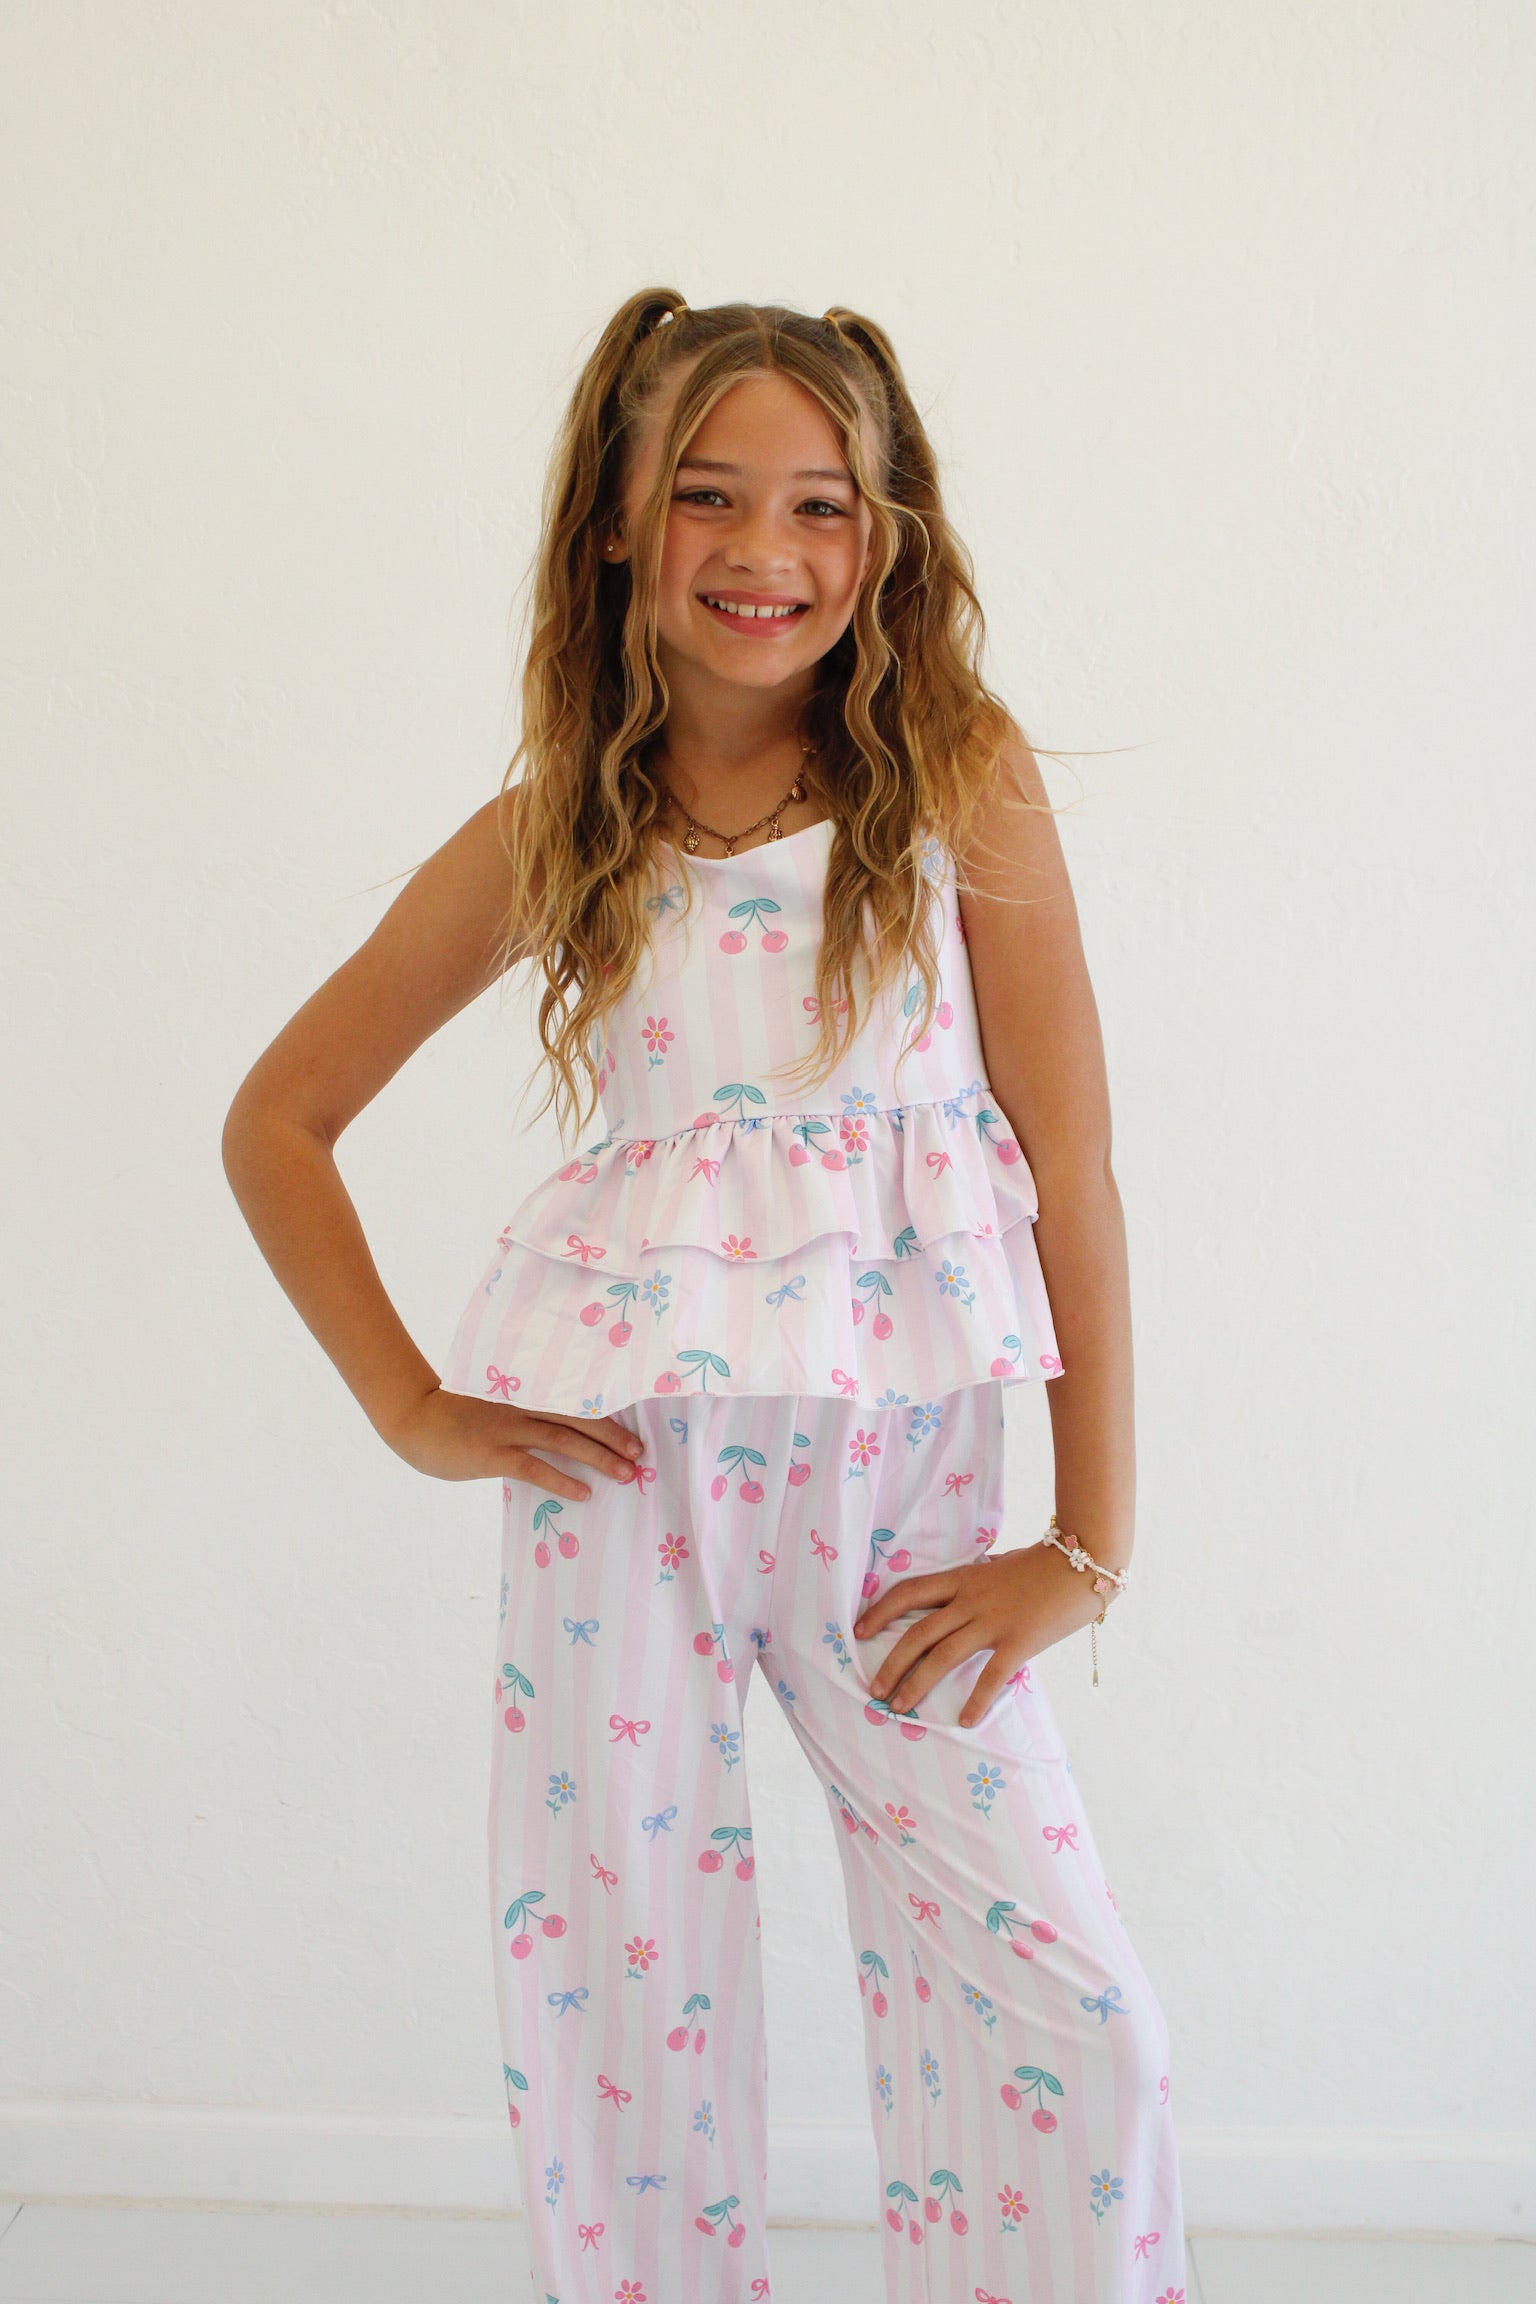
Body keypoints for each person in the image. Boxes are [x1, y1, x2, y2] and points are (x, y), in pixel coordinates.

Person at [222, 290, 1186, 2304]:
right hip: (625, 1490)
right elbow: (278, 1122)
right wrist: (413, 1407)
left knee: (1075, 2016)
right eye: (709, 497)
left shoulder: (960, 787)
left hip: (905, 1505)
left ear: (885, 534)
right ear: (618, 524)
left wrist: (1088, 1543)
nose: (767, 551)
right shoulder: (556, 830)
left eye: (821, 504)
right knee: (625, 1988)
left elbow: (1074, 1169)